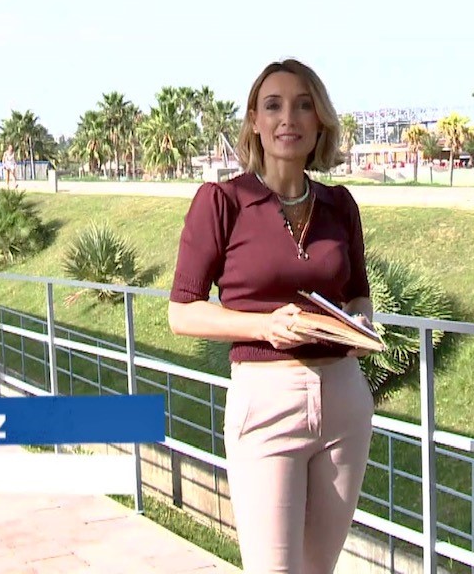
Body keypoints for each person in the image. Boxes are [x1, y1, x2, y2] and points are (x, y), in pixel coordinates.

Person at [168, 58, 376, 573]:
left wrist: (361, 324)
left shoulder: (340, 205)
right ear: (255, 121)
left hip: (344, 400)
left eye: (304, 105)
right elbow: (182, 312)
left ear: (319, 121)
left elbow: (358, 295)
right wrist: (262, 326)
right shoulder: (222, 201)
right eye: (274, 105)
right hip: (265, 400)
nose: (289, 118)